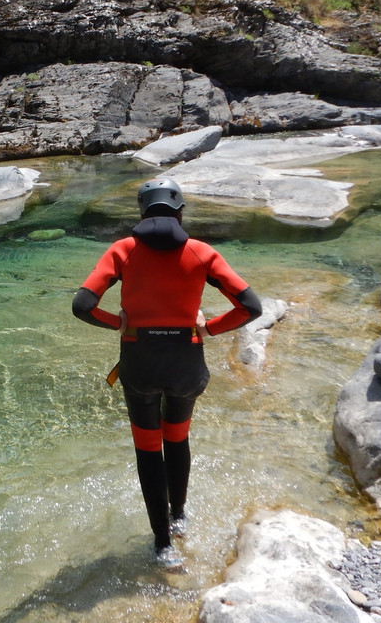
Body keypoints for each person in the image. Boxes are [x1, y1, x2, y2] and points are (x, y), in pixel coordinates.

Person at [72, 177, 261, 569]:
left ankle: (162, 545)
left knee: (147, 451)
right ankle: (179, 517)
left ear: (142, 211)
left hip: (140, 363)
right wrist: (209, 328)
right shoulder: (201, 252)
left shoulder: (123, 250)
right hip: (185, 364)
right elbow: (250, 307)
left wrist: (118, 324)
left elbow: (83, 305)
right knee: (177, 438)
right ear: (180, 210)